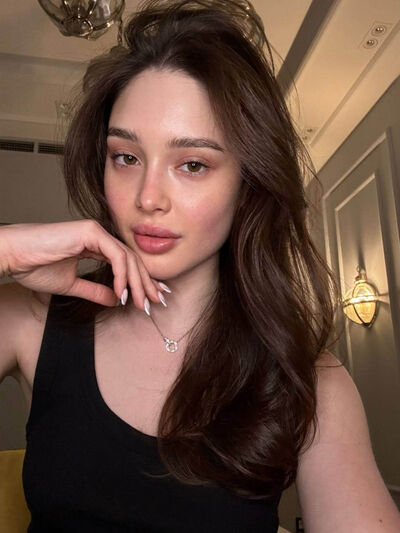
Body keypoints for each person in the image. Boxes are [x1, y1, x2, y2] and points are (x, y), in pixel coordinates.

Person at [1, 0, 399, 531]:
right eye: (126, 157)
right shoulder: (31, 318)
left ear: (247, 183)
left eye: (192, 164)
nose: (148, 197)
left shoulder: (310, 381)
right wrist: (4, 250)